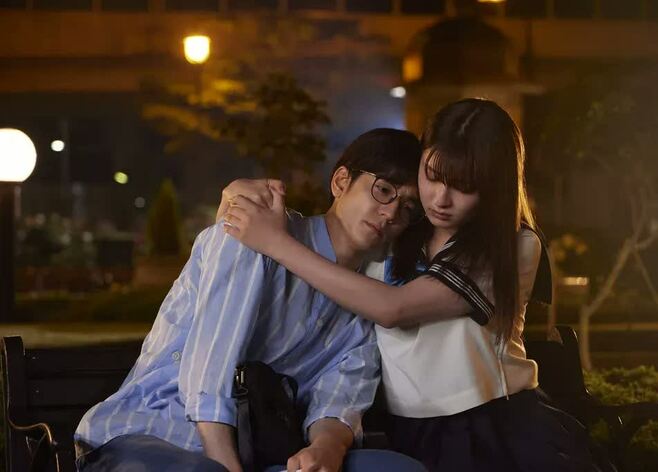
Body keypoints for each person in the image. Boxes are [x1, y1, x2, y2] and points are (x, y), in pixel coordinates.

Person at [221, 98, 599, 471]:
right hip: (403, 430)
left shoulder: (512, 246)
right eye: (432, 175)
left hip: (491, 427)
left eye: (463, 186)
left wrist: (274, 242)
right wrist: (239, 193)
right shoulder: (400, 227)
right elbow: (336, 249)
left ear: (494, 188)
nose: (441, 198)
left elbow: (393, 308)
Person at [74, 128, 428, 472]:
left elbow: (340, 394)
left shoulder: (367, 297)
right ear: (340, 182)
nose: (391, 213)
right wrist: (226, 462)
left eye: (408, 208)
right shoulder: (253, 228)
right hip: (155, 429)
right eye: (384, 190)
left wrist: (325, 448)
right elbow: (210, 363)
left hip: (262, 448)